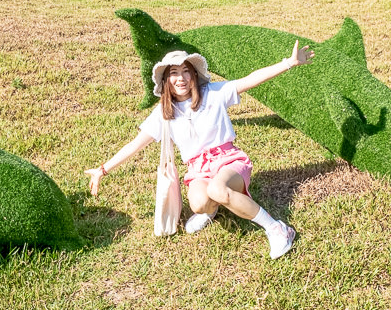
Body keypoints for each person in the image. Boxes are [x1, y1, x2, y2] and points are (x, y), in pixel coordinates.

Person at [85, 42, 313, 259]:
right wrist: (102, 170)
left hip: (228, 161)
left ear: (194, 75)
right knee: (199, 204)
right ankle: (210, 210)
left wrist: (289, 62)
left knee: (217, 189)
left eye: (186, 71)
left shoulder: (214, 93)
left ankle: (277, 229)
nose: (180, 78)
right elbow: (134, 145)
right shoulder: (164, 114)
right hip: (198, 170)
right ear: (166, 80)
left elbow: (250, 80)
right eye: (174, 73)